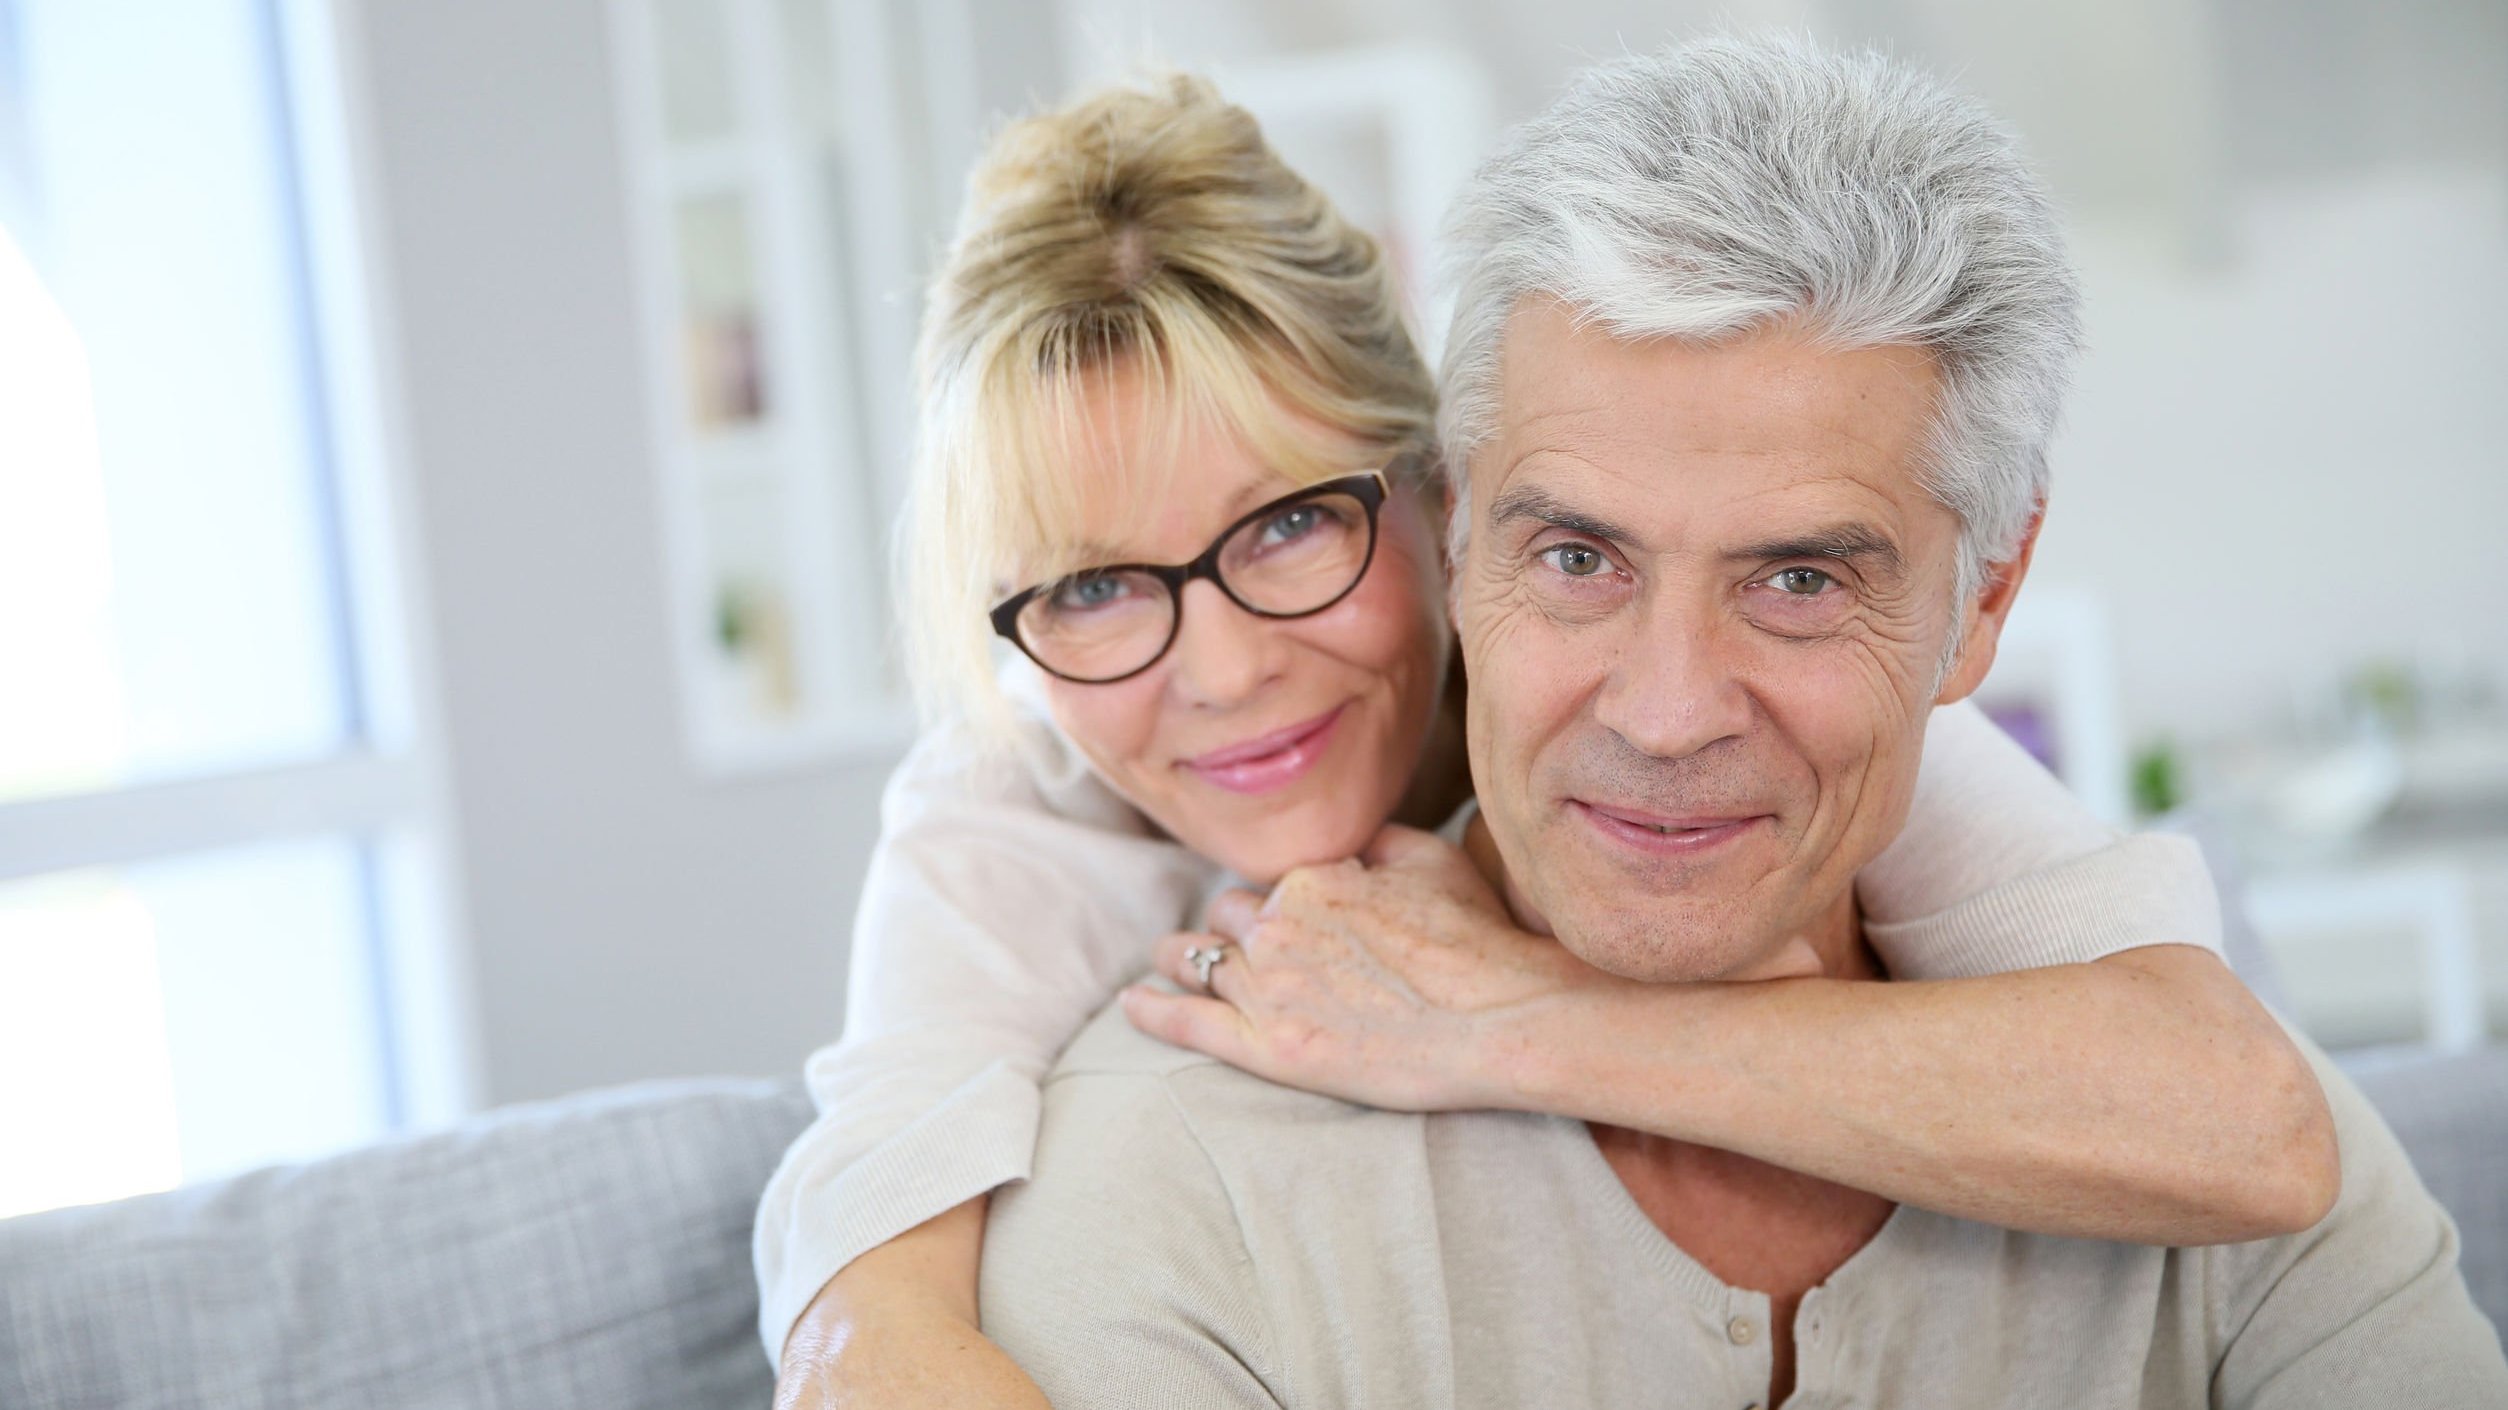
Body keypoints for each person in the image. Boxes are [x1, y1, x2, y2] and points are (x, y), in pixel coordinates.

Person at [759, 68, 2340, 1408]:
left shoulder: (1801, 734)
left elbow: (2247, 1122)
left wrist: (1522, 1015)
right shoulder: (1014, 814)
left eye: (1292, 527)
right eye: (1096, 584)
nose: (1228, 671)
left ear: (1433, 502)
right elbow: (866, 1286)